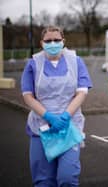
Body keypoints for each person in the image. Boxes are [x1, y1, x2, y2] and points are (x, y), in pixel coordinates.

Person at [21, 26, 92, 187]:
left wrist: (66, 116)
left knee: (67, 178)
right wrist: (48, 116)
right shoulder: (33, 64)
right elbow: (28, 96)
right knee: (43, 180)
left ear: (63, 41)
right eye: (48, 41)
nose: (53, 43)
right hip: (41, 128)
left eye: (56, 40)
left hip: (69, 126)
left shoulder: (75, 61)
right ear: (41, 43)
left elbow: (82, 92)